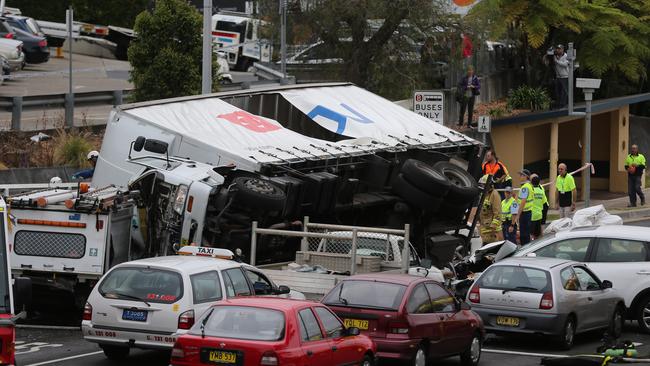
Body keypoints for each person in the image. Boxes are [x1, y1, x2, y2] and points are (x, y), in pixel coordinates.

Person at [478, 175, 503, 244]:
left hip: (492, 233)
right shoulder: (484, 195)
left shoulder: (494, 194)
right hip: (485, 231)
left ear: (488, 185)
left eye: (483, 185)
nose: (482, 187)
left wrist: (492, 228)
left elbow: (497, 213)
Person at [516, 169, 535, 245]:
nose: (520, 177)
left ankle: (525, 252)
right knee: (526, 234)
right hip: (528, 213)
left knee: (524, 235)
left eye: (521, 175)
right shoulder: (529, 186)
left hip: (524, 213)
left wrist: (517, 215)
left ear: (525, 176)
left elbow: (523, 202)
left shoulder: (525, 187)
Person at [530, 174, 548, 240]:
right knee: (537, 234)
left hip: (532, 215)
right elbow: (544, 202)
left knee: (531, 233)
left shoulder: (531, 191)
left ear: (531, 182)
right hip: (539, 215)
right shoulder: (541, 191)